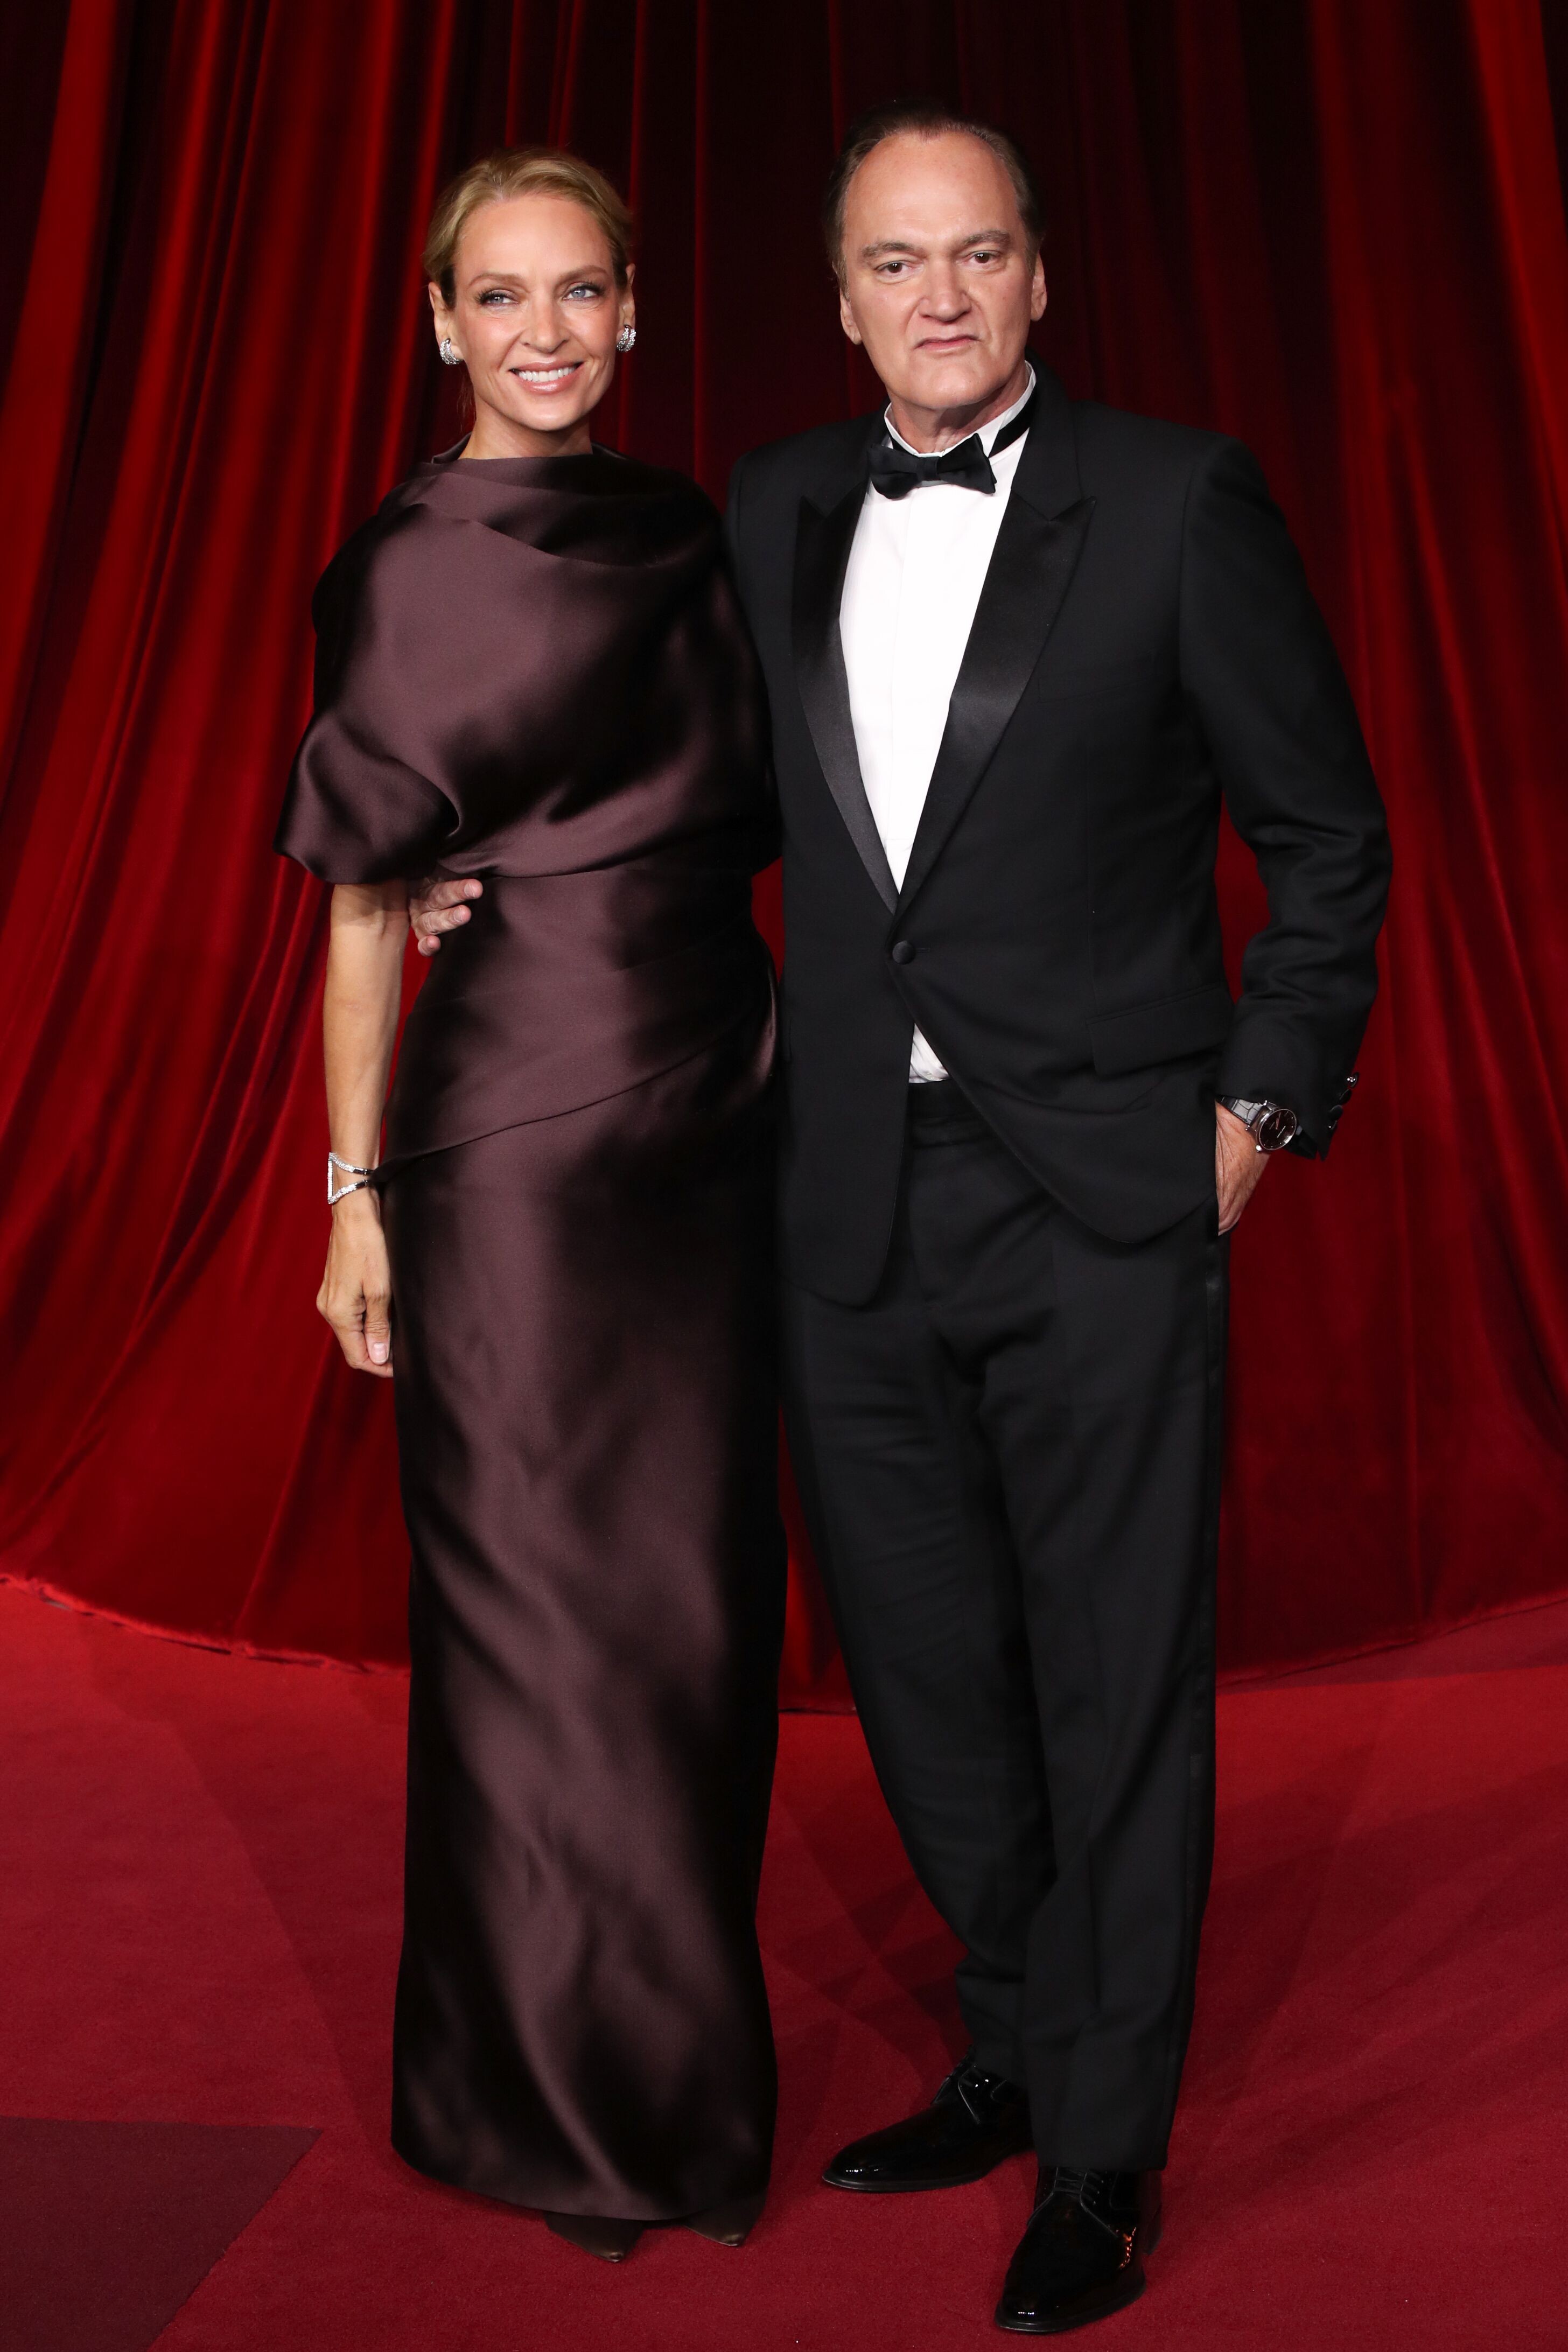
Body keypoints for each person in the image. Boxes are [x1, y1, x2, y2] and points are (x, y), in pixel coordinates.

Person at [414, 103, 1391, 2334]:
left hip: (1106, 1198)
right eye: (892, 261)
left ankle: (1108, 2155)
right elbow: (687, 785)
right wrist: (481, 860)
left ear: (1036, 275)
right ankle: (1013, 2048)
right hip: (844, 1195)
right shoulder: (770, 505)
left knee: (1113, 1682)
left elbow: (1327, 841)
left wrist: (1249, 1116)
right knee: (932, 1679)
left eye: (974, 255)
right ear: (840, 298)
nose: (936, 298)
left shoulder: (1178, 499)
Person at [276, 148, 786, 2264]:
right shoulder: (404, 567)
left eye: (580, 291)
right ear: (438, 323)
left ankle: (671, 2075)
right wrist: (354, 1197)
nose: (545, 332)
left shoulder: (687, 529)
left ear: (632, 308)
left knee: (692, 1621)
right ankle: (541, 2105)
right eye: (501, 296)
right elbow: (360, 909)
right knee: (534, 1626)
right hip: (513, 1154)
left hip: (719, 1111)